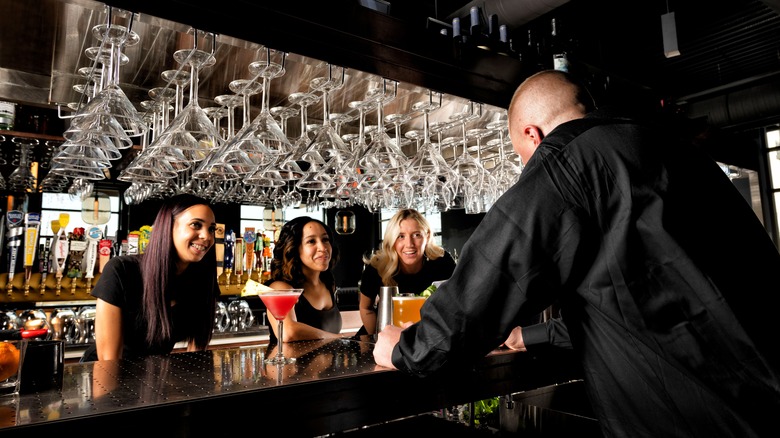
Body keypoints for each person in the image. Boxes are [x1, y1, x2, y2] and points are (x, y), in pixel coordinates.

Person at [374, 70, 780, 437]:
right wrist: (530, 335)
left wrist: (406, 348)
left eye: (522, 160)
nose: (528, 170)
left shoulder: (568, 161)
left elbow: (492, 275)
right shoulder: (674, 148)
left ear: (533, 135)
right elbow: (647, 301)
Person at [82, 194, 219, 361]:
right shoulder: (122, 271)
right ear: (167, 228)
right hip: (102, 374)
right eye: (196, 225)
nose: (207, 236)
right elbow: (108, 361)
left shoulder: (202, 279)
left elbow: (197, 350)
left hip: (151, 376)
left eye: (211, 228)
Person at [358, 208, 456, 335]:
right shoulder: (377, 267)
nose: (409, 244)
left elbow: (457, 304)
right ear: (391, 240)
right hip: (388, 333)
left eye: (417, 235)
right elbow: (366, 308)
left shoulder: (442, 262)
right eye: (401, 236)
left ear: (427, 236)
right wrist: (376, 338)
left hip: (429, 335)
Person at [265, 216, 342, 343]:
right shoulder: (280, 288)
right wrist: (337, 338)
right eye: (311, 241)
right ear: (294, 248)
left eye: (325, 239)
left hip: (329, 363)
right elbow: (288, 332)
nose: (323, 248)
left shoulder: (328, 285)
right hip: (289, 363)